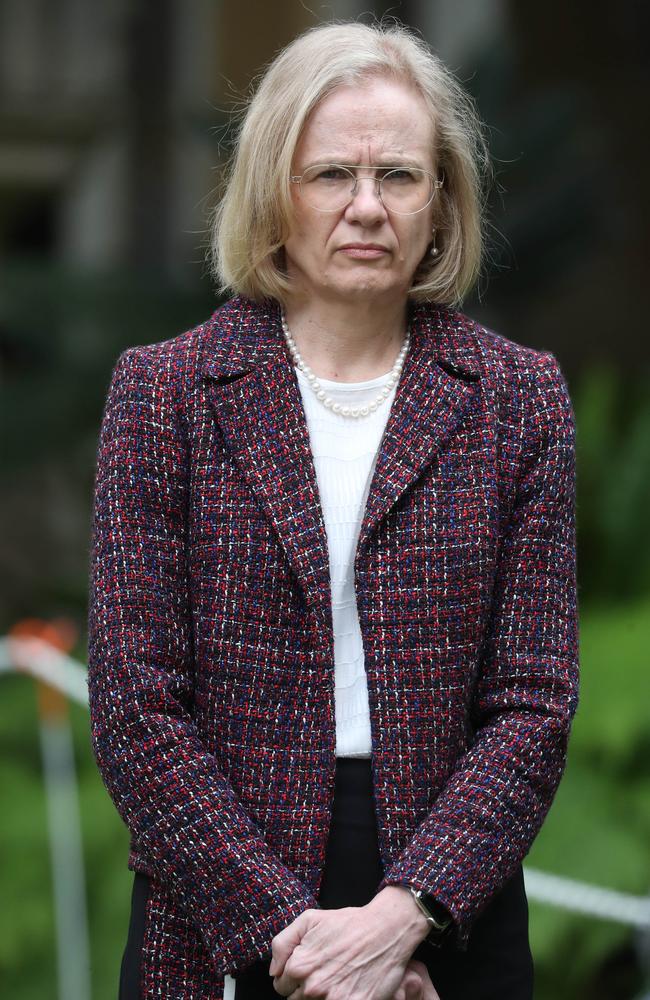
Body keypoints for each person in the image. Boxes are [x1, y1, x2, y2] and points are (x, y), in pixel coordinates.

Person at [87, 19, 579, 1000]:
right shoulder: (164, 393)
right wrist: (308, 949)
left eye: (397, 176)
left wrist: (400, 922)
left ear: (440, 203)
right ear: (274, 195)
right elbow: (137, 711)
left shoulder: (518, 396)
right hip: (218, 898)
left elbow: (531, 705)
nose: (366, 208)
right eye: (329, 177)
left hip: (447, 900)